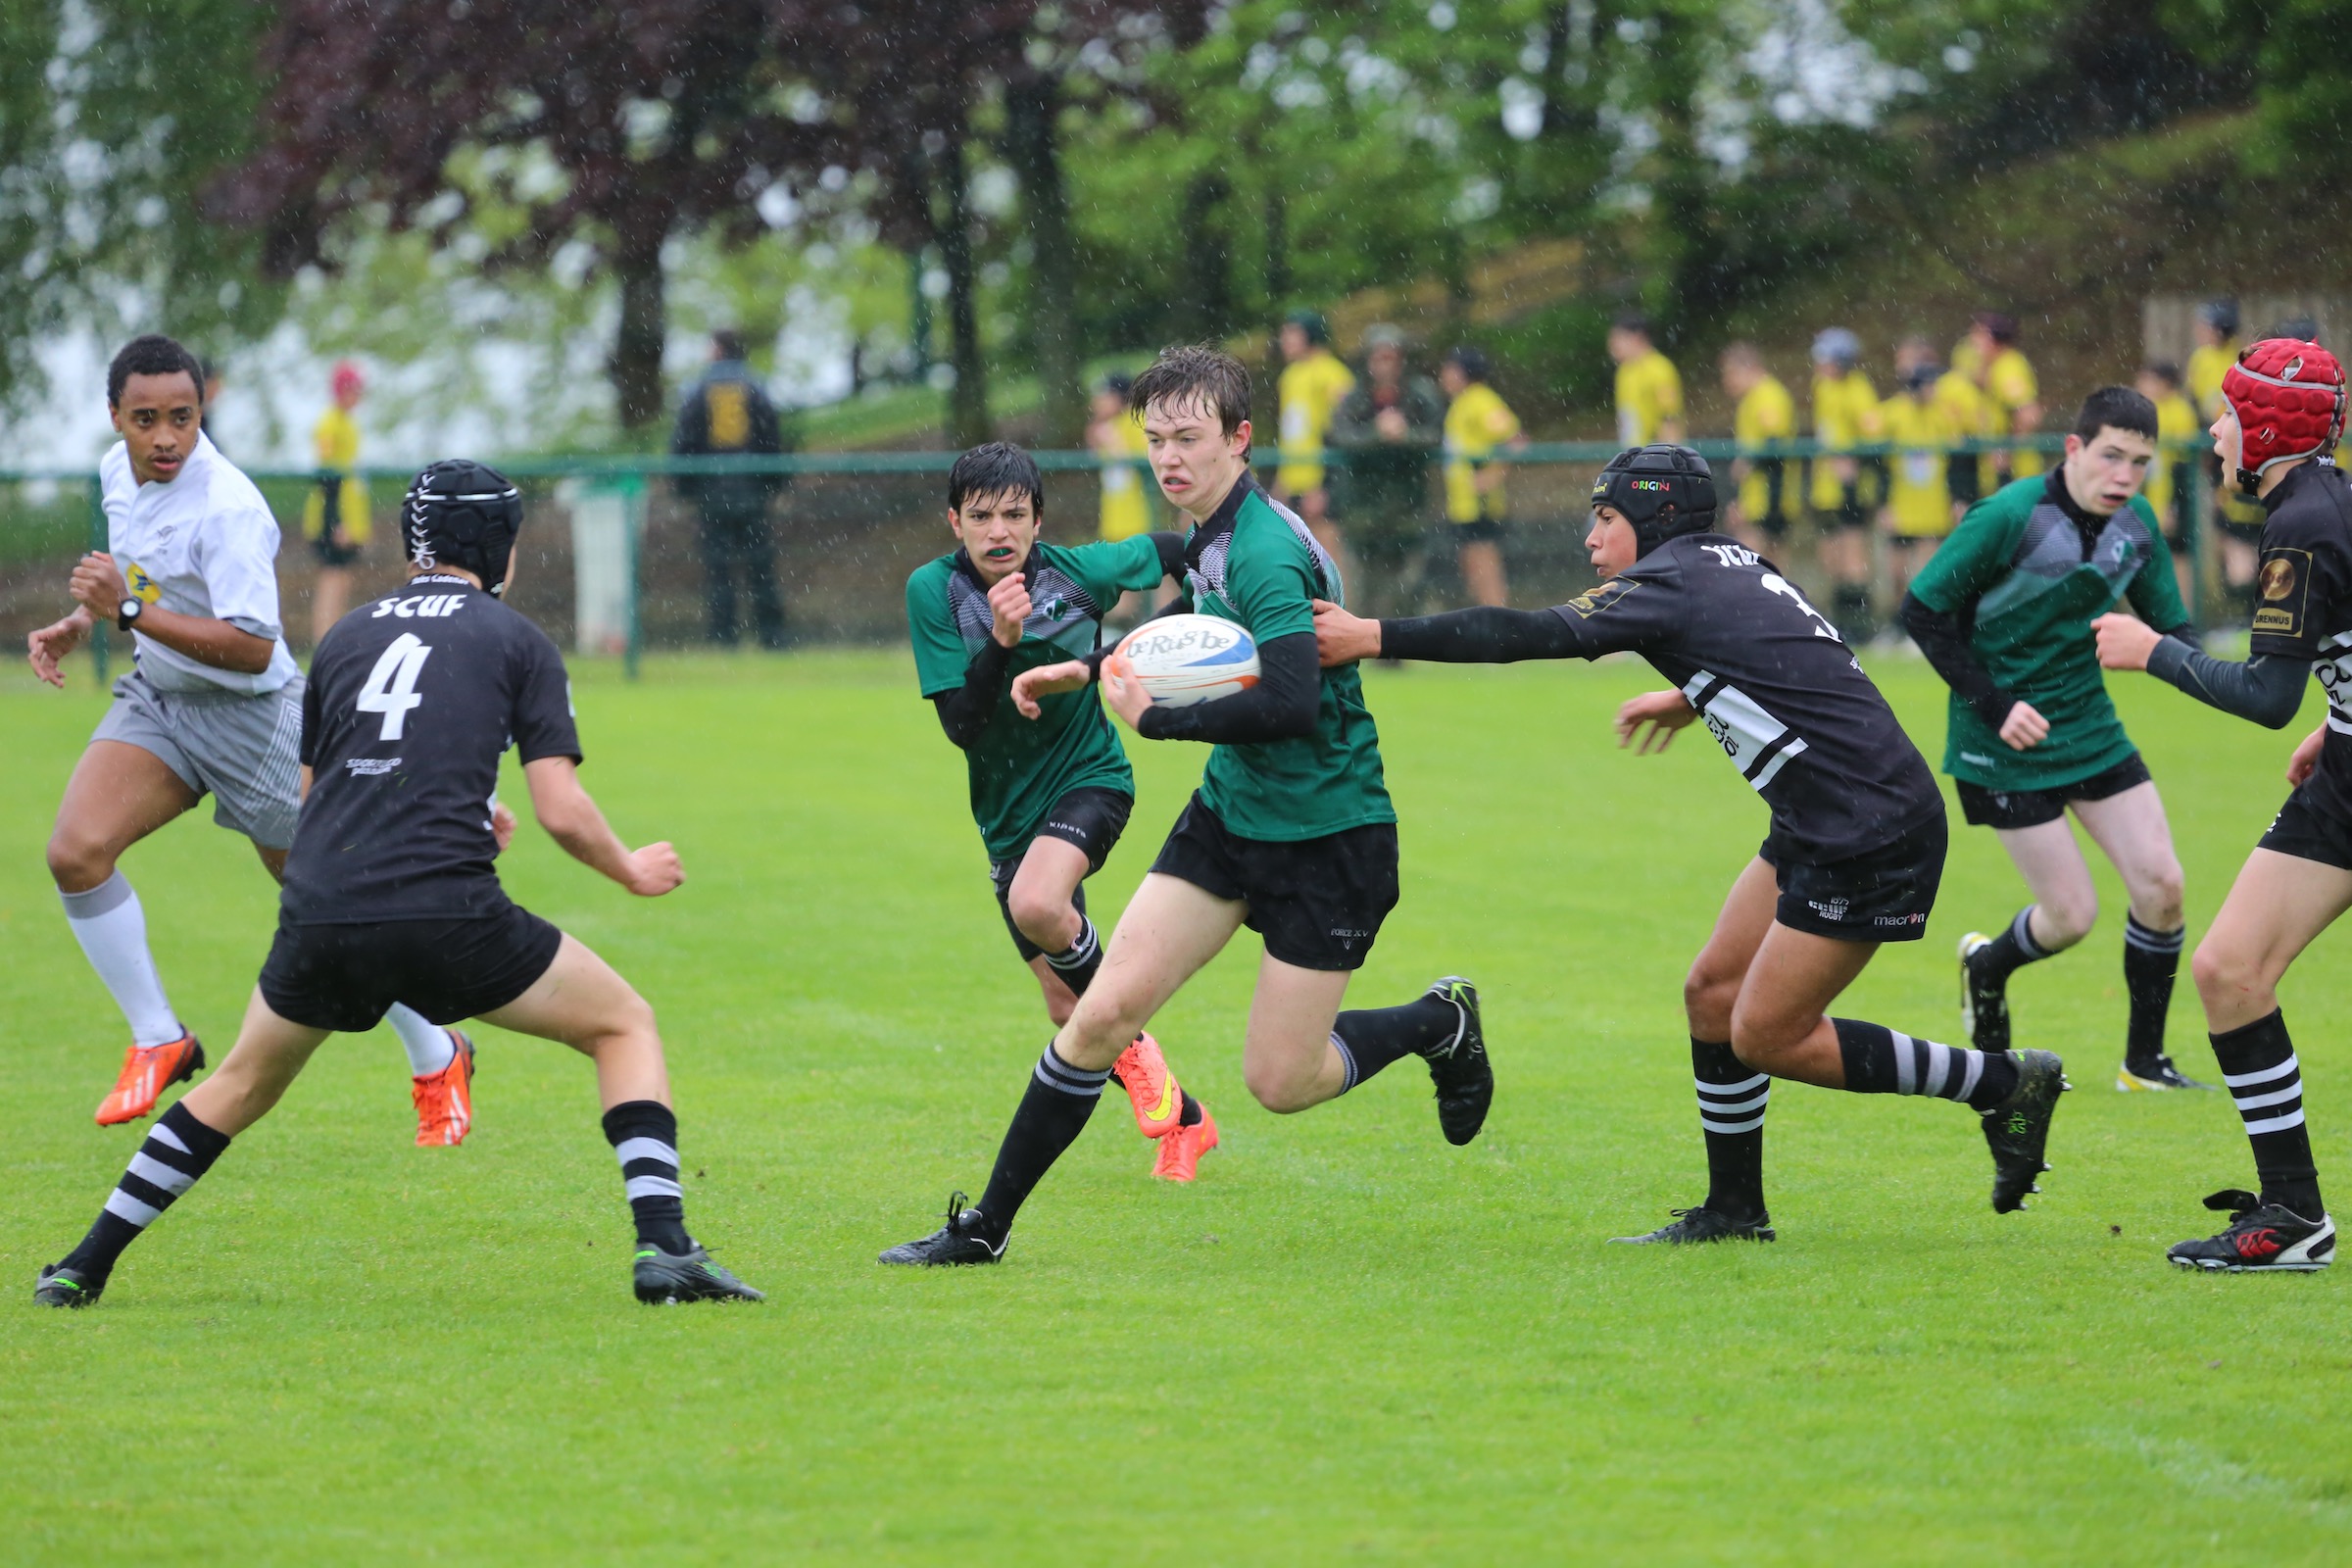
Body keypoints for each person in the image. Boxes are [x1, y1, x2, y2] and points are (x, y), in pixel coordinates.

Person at [34, 460, 764, 1310]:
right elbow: (562, 812)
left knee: (240, 1083)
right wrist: (631, 868)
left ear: (416, 544)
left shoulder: (345, 638)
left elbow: (315, 796)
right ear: (501, 547)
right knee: (622, 1024)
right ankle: (665, 1247)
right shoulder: (516, 639)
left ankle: (83, 1265)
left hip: (324, 910)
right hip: (449, 912)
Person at [1312, 445, 2066, 1244]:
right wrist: (1693, 691)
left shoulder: (1668, 582)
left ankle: (2001, 1082)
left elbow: (1525, 632)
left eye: (1606, 518)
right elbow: (1780, 646)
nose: (1591, 539)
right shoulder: (1727, 562)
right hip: (1829, 814)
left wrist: (1372, 634)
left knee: (1766, 1035)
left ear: (1657, 518)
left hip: (1868, 830)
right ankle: (1734, 1211)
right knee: (1711, 991)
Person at [879, 346, 1490, 1267]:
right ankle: (984, 1229)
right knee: (1100, 1016)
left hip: (1329, 833)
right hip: (1228, 820)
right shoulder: (1205, 535)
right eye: (1156, 438)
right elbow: (1197, 638)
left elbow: (1291, 701)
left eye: (1189, 438)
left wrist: (1157, 721)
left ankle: (1438, 1022)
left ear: (1239, 439)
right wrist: (1087, 667)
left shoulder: (1264, 551)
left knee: (1282, 1080)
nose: (1169, 457)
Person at [24, 334, 480, 1145]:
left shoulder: (228, 507)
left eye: (183, 416)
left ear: (203, 411)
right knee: (76, 853)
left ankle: (437, 1049)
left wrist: (124, 611)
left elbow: (252, 647)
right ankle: (159, 1037)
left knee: (328, 902)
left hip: (255, 720)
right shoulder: (114, 470)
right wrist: (81, 618)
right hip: (161, 700)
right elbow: (143, 575)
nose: (166, 437)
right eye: (145, 419)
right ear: (115, 416)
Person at [2093, 336, 2347, 1271]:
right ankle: (2293, 1215)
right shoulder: (2328, 499)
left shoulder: (2303, 525)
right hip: (2345, 771)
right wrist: (2339, 720)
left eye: (2229, 415)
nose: (2213, 432)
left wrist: (2152, 650)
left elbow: (2266, 696)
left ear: (2267, 432)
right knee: (2230, 970)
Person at [905, 441, 1217, 1182]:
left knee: (1040, 903)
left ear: (1039, 520)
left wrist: (1141, 645)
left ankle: (1136, 1048)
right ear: (954, 522)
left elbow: (1188, 552)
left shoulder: (1078, 574)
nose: (999, 532)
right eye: (981, 517)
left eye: (1015, 515)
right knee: (1063, 1007)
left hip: (1091, 780)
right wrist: (1002, 643)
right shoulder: (934, 592)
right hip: (1007, 819)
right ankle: (1188, 1121)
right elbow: (962, 726)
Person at [1899, 387, 2201, 1094]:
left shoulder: (2137, 526)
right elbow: (1922, 611)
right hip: (1999, 743)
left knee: (2163, 887)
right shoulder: (2008, 515)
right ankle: (1987, 967)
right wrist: (1995, 705)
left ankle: (2144, 1066)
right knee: (2071, 917)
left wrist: (2248, 679)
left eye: (2140, 463)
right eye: (2111, 456)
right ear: (2074, 448)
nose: (2125, 476)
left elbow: (2173, 629)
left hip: (2090, 727)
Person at [671, 329, 790, 650]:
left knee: (718, 568)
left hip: (712, 493)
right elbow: (772, 437)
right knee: (760, 567)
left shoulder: (699, 388)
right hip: (751, 491)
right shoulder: (756, 386)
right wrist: (774, 484)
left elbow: (683, 440)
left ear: (718, 350)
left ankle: (724, 636)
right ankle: (772, 636)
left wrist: (685, 487)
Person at [1327, 324, 1445, 621]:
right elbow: (1341, 436)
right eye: (1379, 357)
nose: (1385, 365)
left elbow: (1436, 434)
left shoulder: (1420, 394)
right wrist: (1377, 433)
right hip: (1363, 505)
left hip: (1409, 504)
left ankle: (1403, 635)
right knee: (1365, 584)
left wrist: (1405, 435)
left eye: (1391, 357)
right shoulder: (1354, 396)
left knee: (1409, 581)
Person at [2188, 300, 2264, 619]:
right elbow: (2196, 403)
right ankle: (2242, 612)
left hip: (2240, 452)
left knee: (2243, 536)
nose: (2200, 330)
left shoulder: (2241, 358)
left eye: (2206, 324)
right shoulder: (2201, 358)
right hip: (2215, 451)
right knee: (2224, 534)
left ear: (2219, 329)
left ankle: (2252, 613)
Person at [1808, 328, 1882, 642]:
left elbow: (1874, 436)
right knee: (1831, 558)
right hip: (1825, 488)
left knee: (1853, 557)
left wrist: (1853, 459)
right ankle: (1839, 623)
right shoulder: (1822, 386)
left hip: (1851, 489)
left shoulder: (1859, 389)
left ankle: (1861, 625)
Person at [1438, 345, 1525, 608]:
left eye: (1449, 368)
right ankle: (1485, 619)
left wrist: (1492, 475)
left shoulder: (1481, 400)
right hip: (1463, 503)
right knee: (1471, 562)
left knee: (1484, 560)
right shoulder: (1462, 402)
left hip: (1480, 503)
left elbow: (1515, 440)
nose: (1443, 375)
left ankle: (1497, 619)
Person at [1273, 309, 1356, 565]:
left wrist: (1326, 486)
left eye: (1292, 333)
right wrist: (1281, 484)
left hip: (1320, 481)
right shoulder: (1290, 375)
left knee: (1327, 558)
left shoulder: (1332, 373)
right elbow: (1292, 436)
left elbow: (1342, 432)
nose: (1284, 340)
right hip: (1295, 481)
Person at [1877, 359, 1961, 600]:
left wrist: (1957, 499)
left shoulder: (1944, 414)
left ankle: (1921, 616)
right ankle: (1898, 616)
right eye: (1929, 385)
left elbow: (1957, 461)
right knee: (1897, 572)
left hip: (1934, 505)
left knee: (1929, 570)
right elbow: (1878, 462)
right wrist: (1883, 503)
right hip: (1901, 502)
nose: (1934, 390)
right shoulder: (1893, 413)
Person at [302, 360, 369, 646]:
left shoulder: (346, 422)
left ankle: (334, 638)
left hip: (345, 514)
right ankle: (324, 640)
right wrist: (336, 522)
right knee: (331, 579)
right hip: (331, 514)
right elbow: (327, 474)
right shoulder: (330, 423)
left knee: (342, 580)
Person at [2137, 361, 2203, 612]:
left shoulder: (2180, 411)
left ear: (2164, 383)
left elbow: (2181, 465)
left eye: (2148, 380)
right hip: (2153, 498)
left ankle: (2182, 613)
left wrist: (2172, 505)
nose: (2141, 385)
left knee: (2177, 555)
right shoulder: (2148, 410)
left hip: (2174, 497)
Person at [1718, 342, 1795, 554]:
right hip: (1756, 499)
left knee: (1757, 562)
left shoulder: (1768, 395)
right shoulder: (1750, 399)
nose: (1726, 381)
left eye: (1730, 373)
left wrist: (1748, 465)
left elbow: (1774, 445)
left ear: (1748, 368)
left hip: (1769, 499)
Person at [1952, 312, 2043, 486]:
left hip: (2015, 474)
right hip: (2003, 473)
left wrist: (2007, 450)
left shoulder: (2008, 366)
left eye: (1978, 336)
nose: (1973, 343)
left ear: (1992, 339)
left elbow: (2028, 414)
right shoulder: (1996, 365)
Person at [1609, 313, 1684, 447]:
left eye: (1618, 338)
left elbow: (1669, 418)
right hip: (1632, 452)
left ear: (1637, 337)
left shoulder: (1659, 368)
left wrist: (1665, 453)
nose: (1612, 344)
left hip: (1653, 452)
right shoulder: (1624, 371)